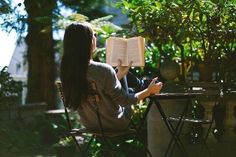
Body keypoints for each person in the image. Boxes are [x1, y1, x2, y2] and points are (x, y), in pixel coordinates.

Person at [60, 22, 163, 131]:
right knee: (134, 89)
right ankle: (145, 85)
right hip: (115, 123)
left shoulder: (67, 72)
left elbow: (100, 89)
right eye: (94, 35)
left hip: (90, 124)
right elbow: (124, 101)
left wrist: (119, 74)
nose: (95, 38)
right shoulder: (103, 70)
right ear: (88, 42)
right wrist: (148, 91)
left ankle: (140, 83)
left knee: (126, 80)